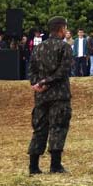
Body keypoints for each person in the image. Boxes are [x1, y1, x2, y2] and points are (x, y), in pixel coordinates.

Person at [27, 16, 73, 175]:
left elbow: (31, 70)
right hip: (59, 94)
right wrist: (47, 81)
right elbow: (63, 71)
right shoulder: (65, 47)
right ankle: (55, 165)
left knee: (39, 128)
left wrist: (37, 84)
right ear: (62, 29)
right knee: (58, 127)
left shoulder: (38, 48)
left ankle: (33, 166)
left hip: (41, 96)